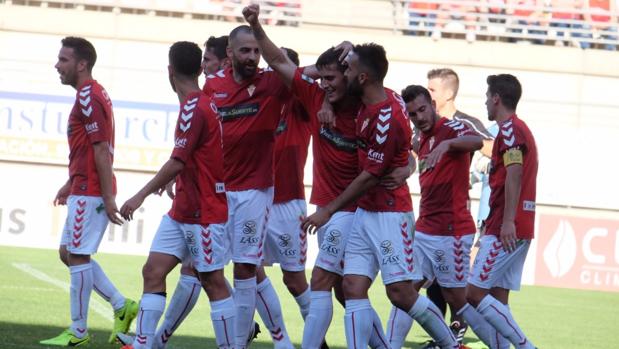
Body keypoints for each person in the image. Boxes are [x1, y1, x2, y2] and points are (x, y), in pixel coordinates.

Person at [243, 5, 414, 348]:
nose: (325, 85)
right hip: (332, 206)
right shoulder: (319, 95)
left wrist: (410, 165)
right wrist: (256, 25)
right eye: (321, 79)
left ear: (351, 77)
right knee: (344, 290)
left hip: (349, 209)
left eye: (333, 78)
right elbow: (278, 61)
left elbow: (401, 148)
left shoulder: (369, 104)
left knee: (322, 280)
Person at [302, 43, 459, 349]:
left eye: (348, 69)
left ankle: (452, 345)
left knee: (400, 293)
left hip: (389, 212)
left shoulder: (386, 117)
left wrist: (328, 211)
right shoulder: (374, 95)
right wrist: (329, 94)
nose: (343, 73)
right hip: (365, 212)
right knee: (351, 286)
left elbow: (370, 176)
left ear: (361, 78)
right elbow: (321, 72)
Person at [202, 24, 314, 348]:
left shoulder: (288, 95)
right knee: (214, 268)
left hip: (279, 199)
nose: (253, 57)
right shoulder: (215, 88)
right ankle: (271, 339)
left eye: (257, 51)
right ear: (231, 54)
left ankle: (303, 341)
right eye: (245, 51)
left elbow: (315, 77)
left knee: (289, 278)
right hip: (226, 192)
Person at [118, 41, 234, 349]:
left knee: (213, 281)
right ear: (199, 69)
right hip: (183, 209)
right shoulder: (199, 104)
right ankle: (144, 344)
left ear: (169, 71)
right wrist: (176, 179)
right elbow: (190, 160)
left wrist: (139, 196)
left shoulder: (196, 106)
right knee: (153, 270)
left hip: (204, 212)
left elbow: (178, 160)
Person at [40, 36, 137, 347]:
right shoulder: (92, 93)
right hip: (84, 185)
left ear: (82, 64)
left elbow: (100, 149)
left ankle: (78, 332)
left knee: (78, 256)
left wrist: (108, 198)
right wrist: (71, 181)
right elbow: (90, 147)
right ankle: (122, 305)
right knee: (68, 254)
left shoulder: (88, 95)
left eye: (63, 60)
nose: (58, 65)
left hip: (93, 190)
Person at [385, 85, 483, 349]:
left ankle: (502, 343)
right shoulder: (420, 138)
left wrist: (449, 144)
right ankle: (390, 345)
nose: (420, 117)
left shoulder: (453, 129)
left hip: (451, 231)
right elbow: (411, 157)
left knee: (458, 299)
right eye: (413, 114)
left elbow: (477, 141)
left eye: (423, 109)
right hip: (426, 229)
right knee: (404, 290)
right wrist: (406, 169)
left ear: (432, 105)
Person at [462, 74, 538, 349]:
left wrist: (507, 222)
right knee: (497, 297)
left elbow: (514, 174)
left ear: (496, 98)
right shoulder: (517, 129)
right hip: (511, 225)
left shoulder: (509, 131)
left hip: (506, 228)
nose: (485, 103)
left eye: (487, 97)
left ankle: (525, 346)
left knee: (473, 293)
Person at [253, 46, 312, 349]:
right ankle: (281, 341)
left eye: (280, 66)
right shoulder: (261, 101)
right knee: (249, 271)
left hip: (288, 204)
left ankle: (317, 341)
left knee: (295, 281)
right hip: (257, 199)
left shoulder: (301, 102)